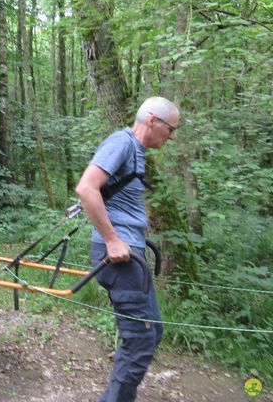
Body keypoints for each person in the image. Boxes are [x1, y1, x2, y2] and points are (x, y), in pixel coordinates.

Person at [75, 96, 180, 402]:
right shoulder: (120, 143)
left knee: (152, 332)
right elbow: (86, 187)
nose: (172, 136)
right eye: (170, 129)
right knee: (140, 339)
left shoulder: (137, 151)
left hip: (131, 253)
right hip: (119, 258)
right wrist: (112, 239)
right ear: (152, 121)